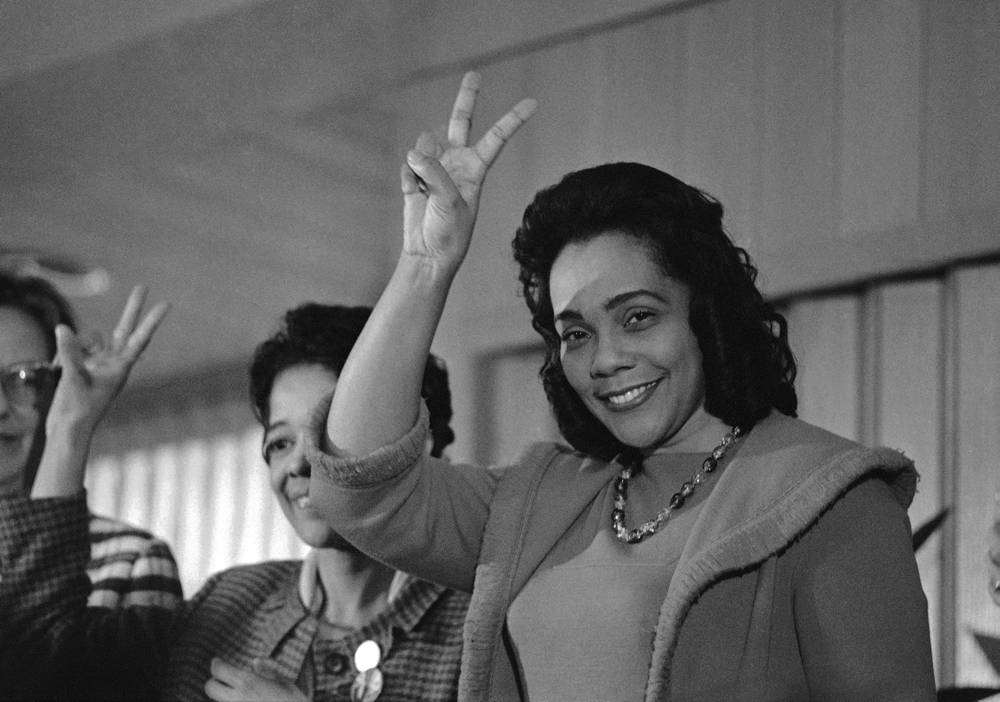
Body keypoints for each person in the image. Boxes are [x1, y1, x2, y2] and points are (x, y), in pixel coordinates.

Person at [305, 72, 937, 701]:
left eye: (637, 317)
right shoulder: (541, 498)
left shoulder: (833, 498)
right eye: (575, 334)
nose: (604, 359)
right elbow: (360, 485)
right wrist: (424, 266)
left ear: (704, 313)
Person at [0, 301, 469, 701]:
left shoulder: (478, 625)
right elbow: (45, 665)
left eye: (328, 433)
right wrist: (70, 427)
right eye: (281, 442)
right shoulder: (229, 603)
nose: (298, 464)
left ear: (414, 442)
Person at [0, 273, 180, 699]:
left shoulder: (132, 559)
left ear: (60, 388)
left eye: (24, 380)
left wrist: (72, 427)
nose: (0, 407)